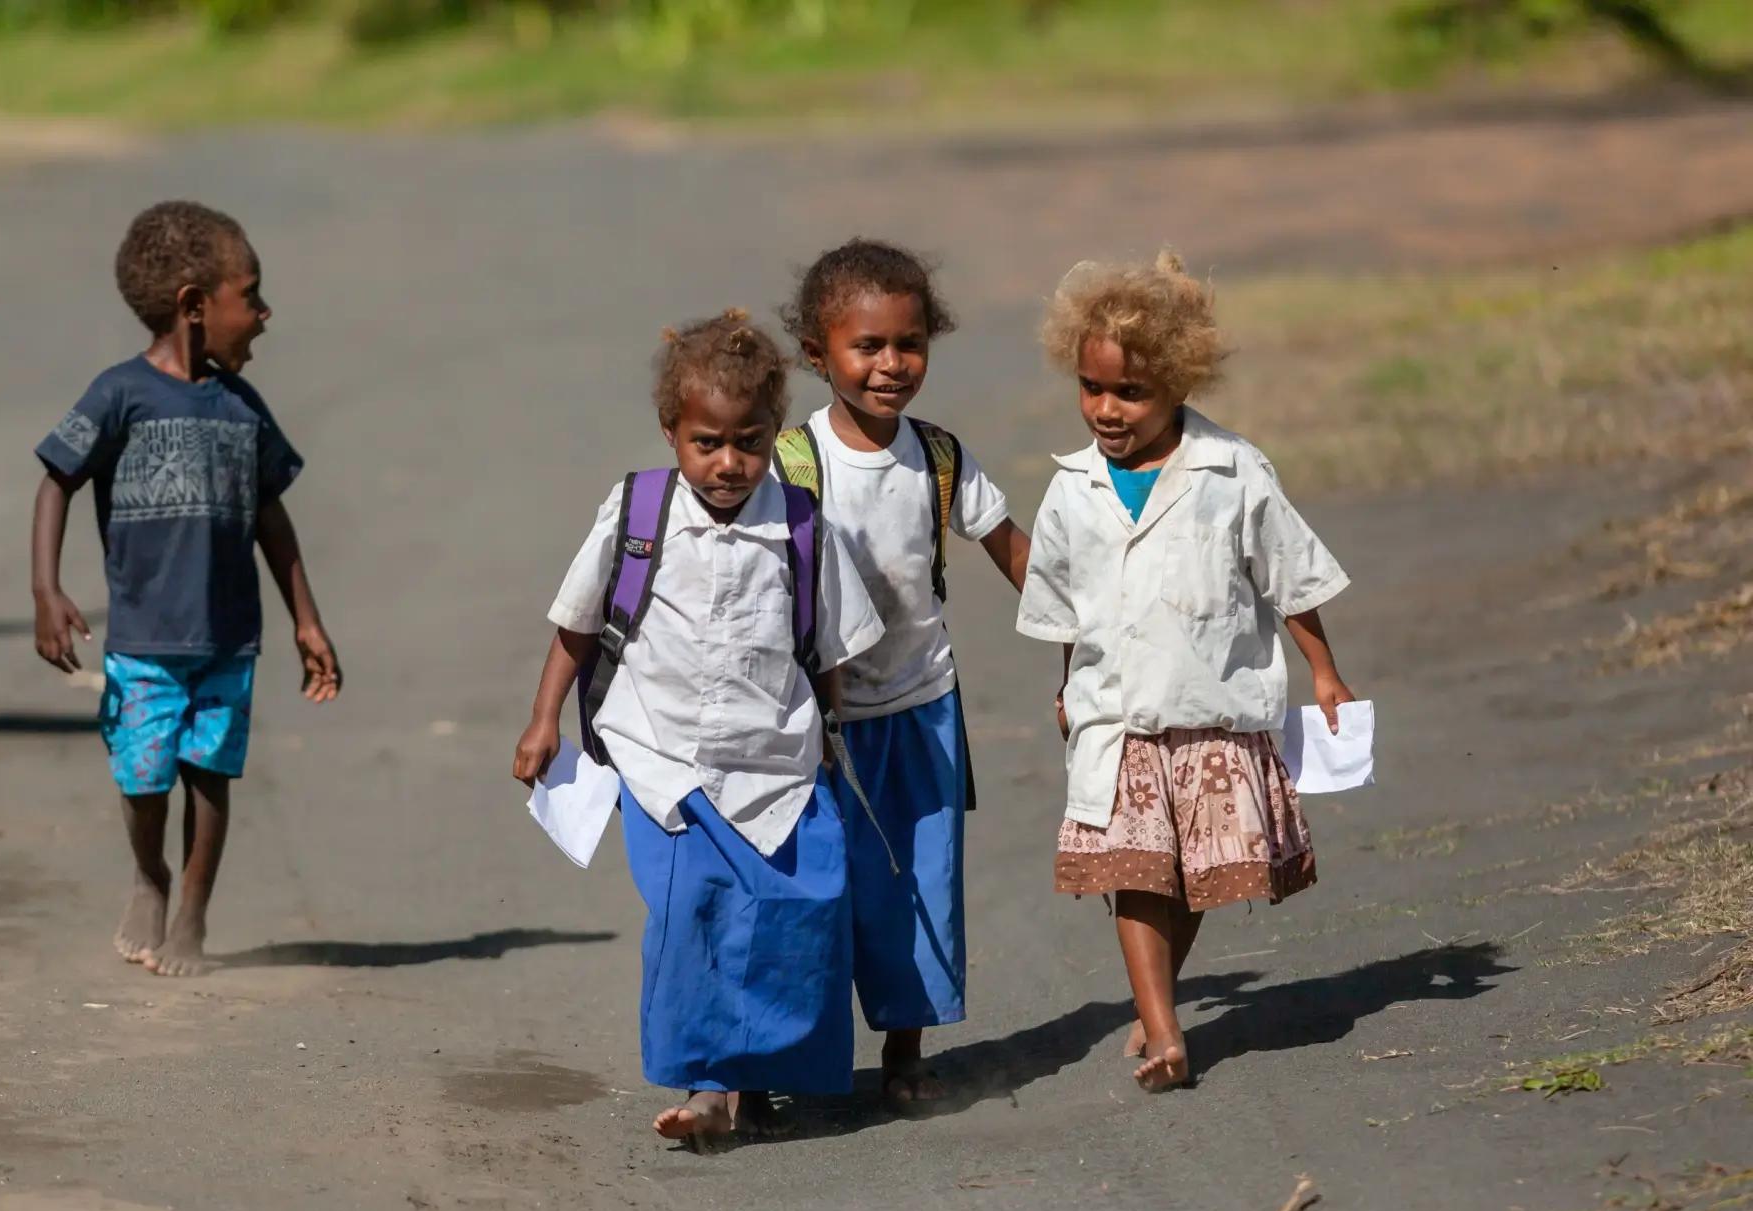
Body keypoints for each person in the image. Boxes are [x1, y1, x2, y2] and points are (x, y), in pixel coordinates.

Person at [514, 310, 883, 1146]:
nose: (727, 463)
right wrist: (542, 721)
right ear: (671, 433)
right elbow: (577, 624)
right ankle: (707, 1084)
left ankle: (759, 1078)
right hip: (662, 760)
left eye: (747, 442)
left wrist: (831, 730)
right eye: (706, 442)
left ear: (773, 434)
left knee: (793, 912)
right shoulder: (637, 510)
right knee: (693, 914)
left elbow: (828, 648)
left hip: (775, 761)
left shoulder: (798, 524)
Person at [1016, 250, 1356, 1091]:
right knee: (1134, 868)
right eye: (1092, 389)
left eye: (1129, 393)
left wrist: (1325, 672)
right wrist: (1068, 687)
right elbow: (1067, 607)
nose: (1106, 409)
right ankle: (1166, 1031)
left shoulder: (1233, 472)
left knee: (1195, 873)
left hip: (1213, 708)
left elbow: (1289, 579)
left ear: (1178, 386)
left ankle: (1154, 998)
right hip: (1118, 714)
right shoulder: (1070, 492)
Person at [30, 200, 341, 978]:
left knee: (211, 774)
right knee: (144, 778)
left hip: (230, 636)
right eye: (252, 294)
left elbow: (272, 515)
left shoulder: (242, 409)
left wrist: (306, 618)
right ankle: (151, 874)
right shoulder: (119, 395)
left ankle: (194, 913)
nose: (265, 314)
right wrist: (47, 589)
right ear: (195, 306)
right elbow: (56, 480)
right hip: (143, 641)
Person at [775, 239, 1031, 1109]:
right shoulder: (788, 464)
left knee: (920, 878)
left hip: (923, 705)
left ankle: (904, 1054)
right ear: (819, 354)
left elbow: (1014, 551)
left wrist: (1089, 624)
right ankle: (795, 1060)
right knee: (816, 885)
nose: (892, 364)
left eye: (909, 343)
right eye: (868, 346)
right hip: (817, 723)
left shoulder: (939, 456)